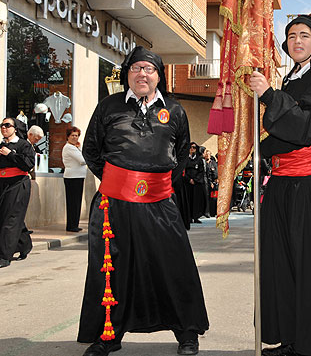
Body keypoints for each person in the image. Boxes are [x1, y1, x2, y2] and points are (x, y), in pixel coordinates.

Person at [78, 46, 208, 356]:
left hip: (160, 202)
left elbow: (180, 155)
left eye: (149, 69)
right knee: (110, 270)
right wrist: (120, 181)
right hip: (113, 204)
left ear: (159, 77)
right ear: (127, 75)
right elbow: (91, 150)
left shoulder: (174, 110)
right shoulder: (108, 107)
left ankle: (187, 334)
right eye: (136, 68)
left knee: (174, 265)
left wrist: (153, 185)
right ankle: (108, 336)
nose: (142, 74)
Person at [248, 14, 311, 356]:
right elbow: (276, 135)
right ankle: (291, 340)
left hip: (310, 188)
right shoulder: (289, 81)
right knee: (283, 266)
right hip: (280, 186)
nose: (296, 41)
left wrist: (268, 97)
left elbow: (307, 128)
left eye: (304, 35)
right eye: (291, 35)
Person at [0, 117, 34, 268]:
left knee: (11, 219)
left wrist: (10, 154)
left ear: (15, 128)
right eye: (2, 125)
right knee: (7, 216)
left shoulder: (23, 145)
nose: (4, 128)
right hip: (3, 183)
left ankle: (4, 256)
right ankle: (24, 244)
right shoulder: (1, 145)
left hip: (18, 184)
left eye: (7, 125)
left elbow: (28, 165)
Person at [62, 126, 87, 232]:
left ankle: (74, 224)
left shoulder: (75, 147)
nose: (75, 138)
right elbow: (82, 160)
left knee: (77, 202)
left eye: (76, 136)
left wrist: (79, 147)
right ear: (68, 137)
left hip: (78, 177)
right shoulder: (69, 147)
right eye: (72, 135)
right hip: (72, 177)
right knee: (72, 202)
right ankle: (71, 225)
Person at [184, 142, 207, 223]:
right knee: (188, 200)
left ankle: (196, 216)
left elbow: (201, 171)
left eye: (194, 147)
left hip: (196, 183)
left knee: (197, 200)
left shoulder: (199, 159)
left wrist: (195, 180)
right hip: (187, 183)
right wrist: (189, 179)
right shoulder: (185, 159)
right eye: (190, 147)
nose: (192, 149)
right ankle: (189, 217)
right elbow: (183, 171)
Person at [203, 149, 218, 218]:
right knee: (206, 198)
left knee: (213, 198)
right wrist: (210, 182)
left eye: (208, 154)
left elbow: (216, 172)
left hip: (214, 183)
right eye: (206, 154)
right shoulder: (203, 163)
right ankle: (206, 212)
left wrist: (216, 180)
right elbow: (206, 174)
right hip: (206, 182)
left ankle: (213, 212)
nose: (207, 155)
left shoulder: (214, 163)